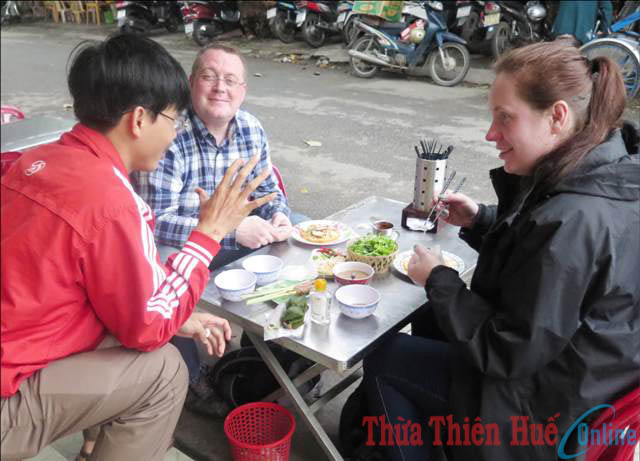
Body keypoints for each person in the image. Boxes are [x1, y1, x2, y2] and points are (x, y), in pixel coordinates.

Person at [0, 33, 275, 461]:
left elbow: (89, 284)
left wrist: (182, 318)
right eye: (173, 119)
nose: (174, 132)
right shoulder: (110, 200)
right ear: (140, 120)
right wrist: (209, 233)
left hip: (19, 347)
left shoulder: (37, 160)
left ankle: (91, 449)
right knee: (164, 372)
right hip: (9, 394)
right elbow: (147, 328)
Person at [361, 40, 639, 460]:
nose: (491, 134)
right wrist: (482, 219)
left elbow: (506, 349)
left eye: (505, 118)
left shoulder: (573, 221)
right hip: (582, 382)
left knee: (385, 357)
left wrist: (438, 278)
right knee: (432, 320)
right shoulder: (606, 172)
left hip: (543, 416)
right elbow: (541, 248)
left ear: (557, 116)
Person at [134, 43, 296, 271]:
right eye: (209, 77)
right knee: (161, 259)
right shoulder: (167, 132)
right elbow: (156, 221)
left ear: (242, 91)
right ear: (191, 83)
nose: (220, 88)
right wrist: (229, 231)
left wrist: (278, 214)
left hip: (244, 238)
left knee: (299, 228)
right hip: (187, 246)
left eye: (230, 80)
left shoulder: (251, 128)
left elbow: (268, 191)